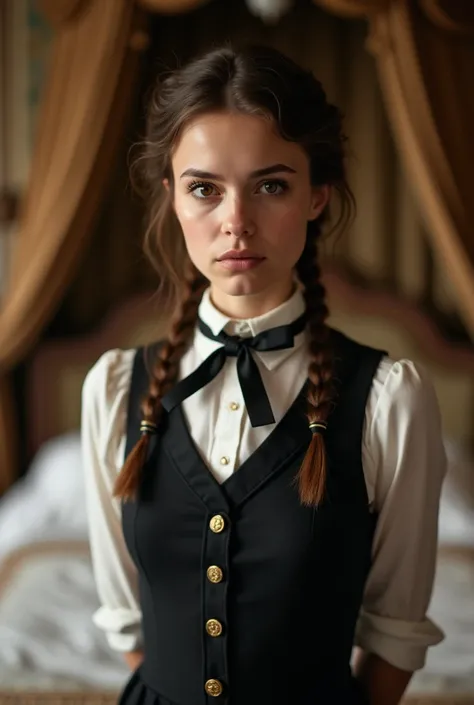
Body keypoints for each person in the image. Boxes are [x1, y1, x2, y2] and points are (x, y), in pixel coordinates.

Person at [81, 44, 446, 705]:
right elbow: (127, 617)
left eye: (271, 185)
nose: (236, 222)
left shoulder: (389, 401)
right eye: (204, 189)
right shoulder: (112, 389)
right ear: (171, 196)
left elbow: (396, 634)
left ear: (317, 196)